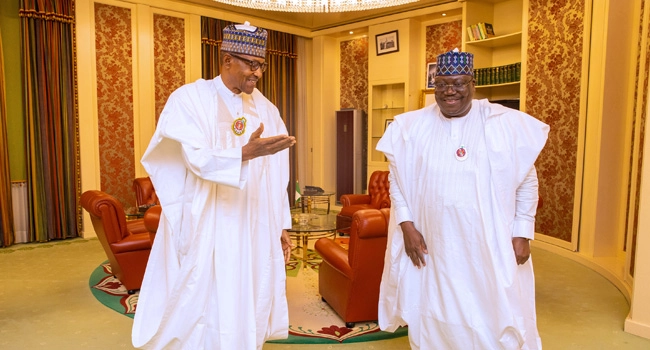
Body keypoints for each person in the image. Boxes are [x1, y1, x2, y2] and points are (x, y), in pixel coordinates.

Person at [132, 22, 296, 350]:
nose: (258, 74)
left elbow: (278, 172)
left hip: (252, 221)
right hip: (206, 219)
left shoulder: (267, 109)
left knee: (247, 290)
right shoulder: (190, 99)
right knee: (201, 296)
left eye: (261, 65)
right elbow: (195, 158)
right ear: (226, 60)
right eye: (251, 65)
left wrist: (281, 224)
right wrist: (244, 153)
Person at [377, 48, 549, 349]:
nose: (449, 91)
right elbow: (397, 180)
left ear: (472, 83)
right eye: (442, 83)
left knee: (489, 314)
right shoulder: (410, 127)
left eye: (458, 83)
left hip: (486, 244)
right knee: (433, 313)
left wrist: (523, 231)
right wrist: (406, 224)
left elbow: (527, 181)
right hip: (433, 245)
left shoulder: (504, 124)